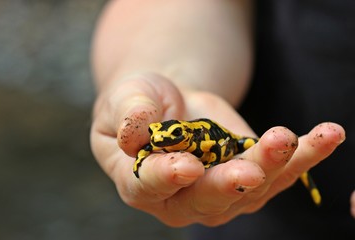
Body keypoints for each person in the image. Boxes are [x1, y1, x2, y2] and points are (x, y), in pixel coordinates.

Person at [90, 0, 355, 238]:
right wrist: (172, 75)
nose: (159, 140)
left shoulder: (194, 140)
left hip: (234, 144)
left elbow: (214, 149)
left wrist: (216, 160)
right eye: (158, 134)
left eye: (167, 136)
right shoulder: (166, 138)